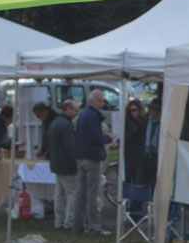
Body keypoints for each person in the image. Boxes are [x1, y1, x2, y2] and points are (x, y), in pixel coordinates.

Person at [72, 89, 115, 235]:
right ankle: (94, 226)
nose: (102, 104)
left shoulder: (83, 114)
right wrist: (108, 138)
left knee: (81, 192)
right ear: (91, 101)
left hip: (81, 156)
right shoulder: (92, 116)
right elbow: (95, 138)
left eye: (102, 101)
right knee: (92, 193)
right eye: (99, 101)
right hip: (91, 157)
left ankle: (78, 225)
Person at [49, 99, 79, 230]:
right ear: (67, 109)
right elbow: (70, 147)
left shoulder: (55, 122)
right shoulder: (66, 125)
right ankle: (69, 222)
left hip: (57, 163)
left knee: (59, 195)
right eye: (75, 110)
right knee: (71, 193)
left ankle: (59, 221)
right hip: (66, 165)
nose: (77, 113)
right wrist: (74, 164)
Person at [123, 98, 147, 184]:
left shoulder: (144, 122)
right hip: (130, 153)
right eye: (130, 110)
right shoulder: (127, 122)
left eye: (134, 110)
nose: (132, 112)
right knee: (129, 176)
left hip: (139, 153)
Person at [141, 97, 163, 189]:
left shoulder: (164, 124)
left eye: (152, 109)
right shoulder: (146, 122)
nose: (150, 112)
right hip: (146, 157)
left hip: (158, 158)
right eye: (150, 109)